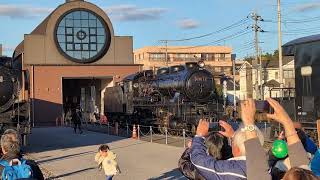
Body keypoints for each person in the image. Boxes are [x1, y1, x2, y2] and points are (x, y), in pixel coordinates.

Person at [242, 98, 316, 180]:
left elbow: (260, 172)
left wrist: (287, 122)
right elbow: (302, 173)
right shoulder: (311, 154)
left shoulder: (280, 165)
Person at [190, 115, 264, 179]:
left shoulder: (233, 170)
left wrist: (199, 136)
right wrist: (234, 136)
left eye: (232, 143)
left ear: (237, 149)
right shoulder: (263, 166)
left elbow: (198, 160)